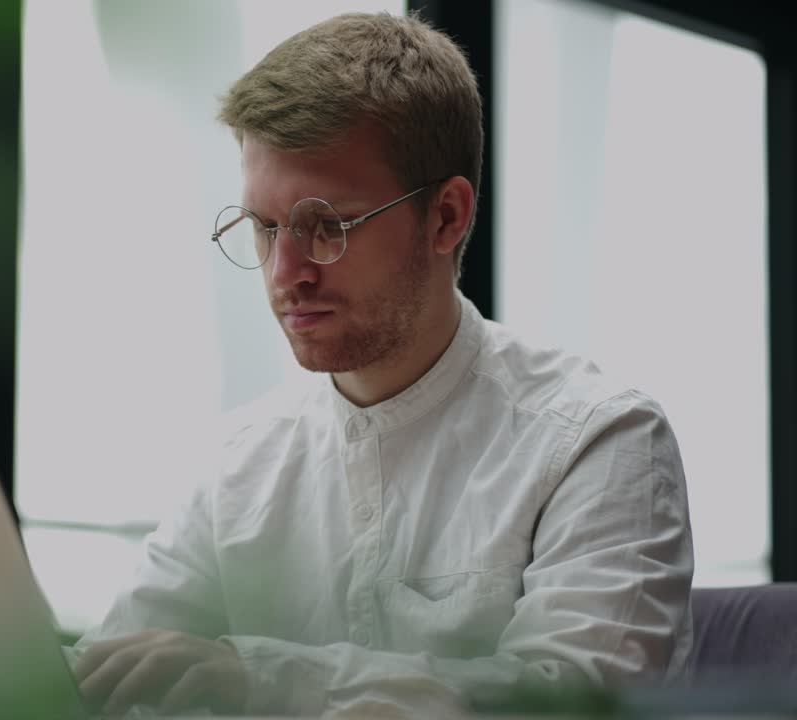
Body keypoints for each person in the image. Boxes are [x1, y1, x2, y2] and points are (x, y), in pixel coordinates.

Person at [71, 11, 693, 718]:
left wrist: (260, 680)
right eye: (266, 227)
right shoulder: (239, 467)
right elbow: (112, 676)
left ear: (446, 218)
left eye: (327, 225)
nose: (285, 273)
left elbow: (573, 701)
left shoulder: (598, 439)